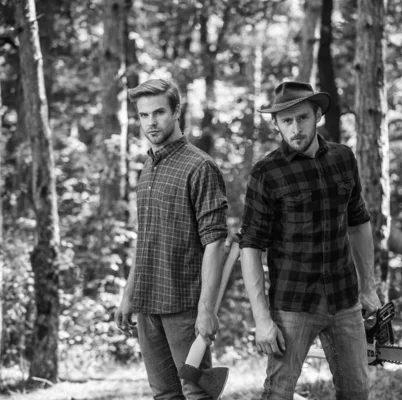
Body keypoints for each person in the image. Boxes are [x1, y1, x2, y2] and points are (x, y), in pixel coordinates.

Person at [239, 81, 382, 400]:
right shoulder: (267, 172)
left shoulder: (344, 158)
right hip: (293, 304)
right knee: (278, 391)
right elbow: (250, 247)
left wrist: (368, 286)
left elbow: (358, 222)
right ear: (276, 124)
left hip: (344, 300)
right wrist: (262, 319)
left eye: (302, 117)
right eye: (286, 121)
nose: (295, 127)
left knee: (357, 391)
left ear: (317, 115)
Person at [114, 78, 229, 400]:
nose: (151, 122)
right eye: (143, 115)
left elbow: (215, 243)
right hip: (147, 302)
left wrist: (206, 309)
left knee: (196, 392)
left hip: (184, 304)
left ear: (176, 111)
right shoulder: (147, 168)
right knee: (163, 394)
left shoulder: (200, 166)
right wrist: (129, 294)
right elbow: (146, 239)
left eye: (159, 112)